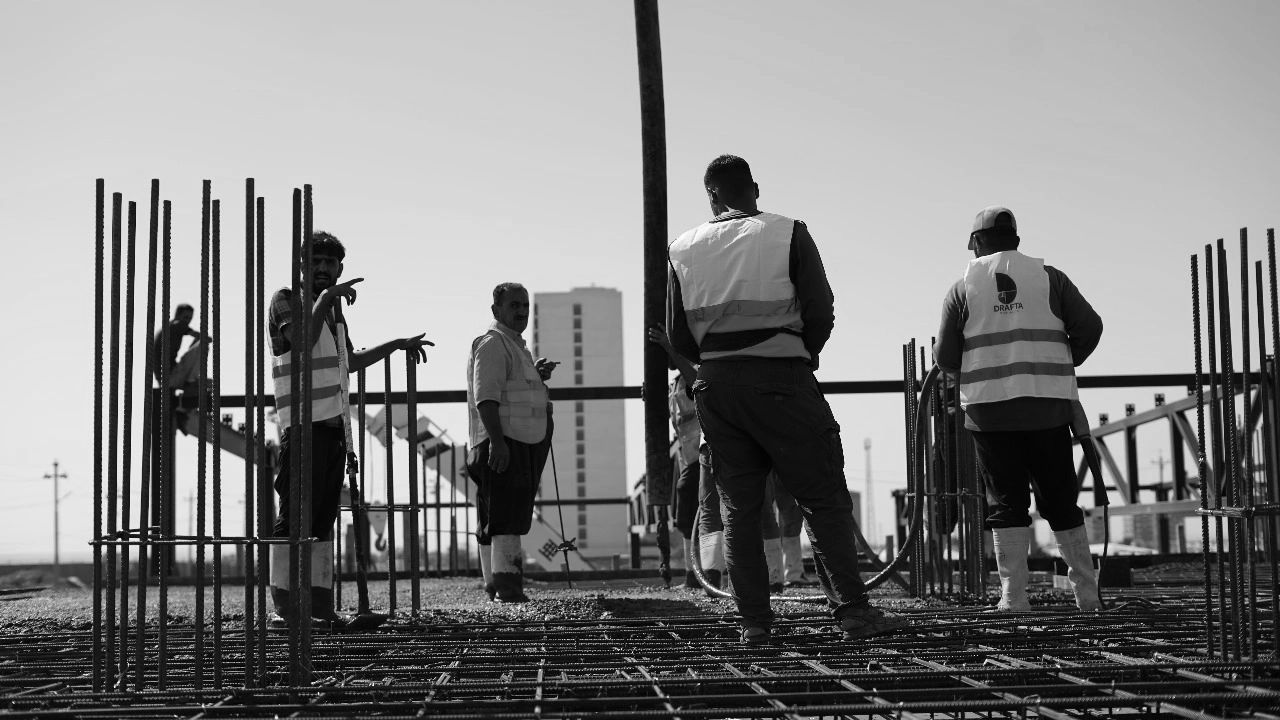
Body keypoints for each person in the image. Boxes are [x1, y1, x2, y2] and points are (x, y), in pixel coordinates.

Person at [666, 154, 908, 644]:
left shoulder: (684, 248)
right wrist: (803, 351)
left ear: (710, 195)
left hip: (718, 389)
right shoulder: (787, 232)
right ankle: (853, 614)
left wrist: (719, 356)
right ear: (754, 187)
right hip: (782, 379)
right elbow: (821, 309)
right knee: (821, 497)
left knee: (738, 506)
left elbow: (677, 334)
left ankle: (754, 623)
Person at [932, 207, 1104, 612]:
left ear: (977, 242)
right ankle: (1088, 596)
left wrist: (977, 367)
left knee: (1006, 502)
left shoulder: (963, 287)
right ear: (1017, 240)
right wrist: (1063, 361)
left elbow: (945, 356)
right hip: (1047, 408)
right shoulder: (1050, 278)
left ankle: (1014, 598)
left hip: (990, 415)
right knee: (1060, 499)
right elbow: (1090, 327)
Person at [267, 230, 432, 627]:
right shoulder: (287, 300)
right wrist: (328, 299)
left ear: (340, 266)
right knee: (295, 520)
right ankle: (286, 610)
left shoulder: (333, 312)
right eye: (315, 262)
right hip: (302, 431)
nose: (323, 269)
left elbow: (349, 362)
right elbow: (302, 343)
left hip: (333, 431)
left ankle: (321, 608)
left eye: (330, 263)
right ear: (302, 267)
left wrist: (395, 344)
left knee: (323, 520)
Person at [466, 282, 557, 602]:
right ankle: (507, 588)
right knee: (505, 516)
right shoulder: (494, 344)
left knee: (498, 513)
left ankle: (495, 585)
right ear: (496, 311)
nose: (521, 311)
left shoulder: (515, 347)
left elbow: (511, 392)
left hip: (517, 442)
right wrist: (498, 443)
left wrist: (536, 376)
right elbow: (486, 399)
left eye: (524, 305)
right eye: (513, 305)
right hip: (504, 443)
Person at [648, 324, 709, 589]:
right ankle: (695, 575)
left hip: (701, 456)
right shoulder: (676, 384)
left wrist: (668, 346)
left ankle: (698, 575)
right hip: (689, 458)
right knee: (688, 519)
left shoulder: (695, 373)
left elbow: (695, 380)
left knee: (690, 517)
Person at [152, 303, 213, 425]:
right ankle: (190, 384)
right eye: (186, 317)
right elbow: (207, 338)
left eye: (190, 318)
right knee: (204, 344)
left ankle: (183, 412)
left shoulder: (170, 327)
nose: (188, 321)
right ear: (177, 316)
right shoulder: (176, 325)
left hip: (168, 378)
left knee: (209, 384)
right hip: (170, 376)